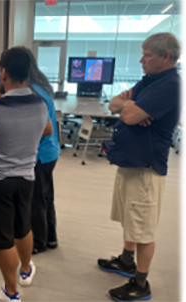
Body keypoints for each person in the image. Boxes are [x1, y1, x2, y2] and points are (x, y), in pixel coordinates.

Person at [98, 32, 184, 302]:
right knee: (129, 219)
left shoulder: (171, 84)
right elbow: (114, 104)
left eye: (147, 55)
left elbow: (131, 116)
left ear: (165, 56)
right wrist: (128, 104)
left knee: (143, 227)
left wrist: (131, 109)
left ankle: (140, 283)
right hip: (129, 162)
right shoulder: (150, 81)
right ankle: (126, 261)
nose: (141, 60)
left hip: (146, 166)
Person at [0, 47, 53, 302]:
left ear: (3, 73)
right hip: (26, 179)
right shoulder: (40, 104)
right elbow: (47, 130)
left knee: (3, 239)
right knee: (22, 227)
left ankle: (11, 293)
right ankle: (26, 271)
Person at [19, 47, 61, 254]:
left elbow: (45, 128)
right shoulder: (40, 86)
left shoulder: (32, 93)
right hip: (50, 154)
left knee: (36, 201)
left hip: (40, 156)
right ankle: (50, 237)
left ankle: (38, 242)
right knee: (46, 198)